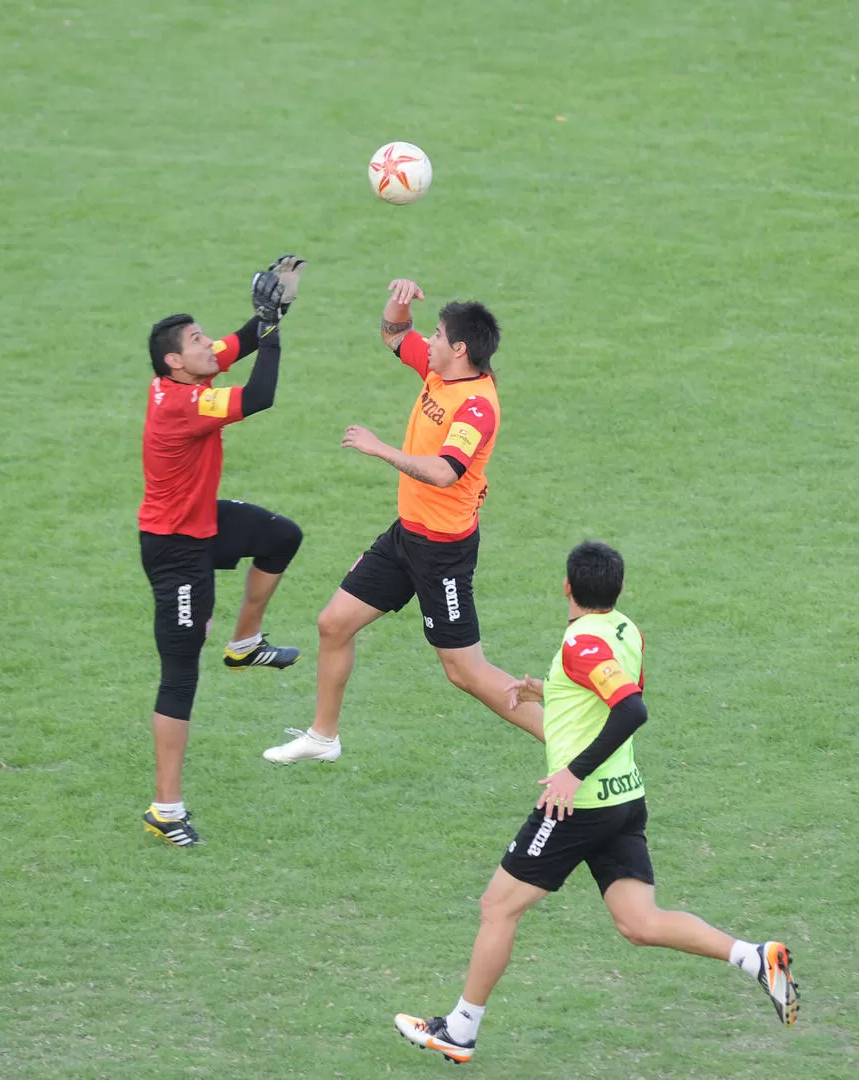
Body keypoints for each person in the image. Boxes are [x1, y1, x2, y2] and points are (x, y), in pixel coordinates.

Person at [393, 541, 800, 1063]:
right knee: (640, 923)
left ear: (567, 586)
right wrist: (551, 691)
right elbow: (608, 690)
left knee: (497, 907)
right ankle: (754, 957)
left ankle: (460, 1029)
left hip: (577, 805)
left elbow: (630, 709)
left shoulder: (581, 643)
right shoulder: (626, 629)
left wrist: (570, 773)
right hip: (625, 797)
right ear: (619, 588)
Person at [262, 278, 543, 765]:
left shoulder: (476, 406)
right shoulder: (441, 373)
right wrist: (399, 298)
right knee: (333, 624)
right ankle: (323, 737)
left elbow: (443, 471)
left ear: (458, 348)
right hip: (406, 535)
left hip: (443, 552)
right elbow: (394, 333)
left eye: (436, 335)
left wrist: (379, 448)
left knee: (464, 671)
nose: (427, 341)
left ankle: (573, 743)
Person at [139, 256, 307, 846]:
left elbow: (237, 341)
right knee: (180, 673)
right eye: (195, 341)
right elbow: (259, 395)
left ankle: (246, 643)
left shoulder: (189, 374)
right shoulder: (184, 404)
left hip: (200, 522)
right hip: (177, 550)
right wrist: (274, 335)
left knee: (280, 536)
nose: (210, 345)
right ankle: (166, 809)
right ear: (174, 362)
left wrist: (272, 312)